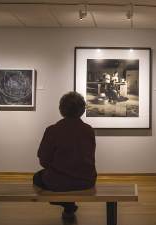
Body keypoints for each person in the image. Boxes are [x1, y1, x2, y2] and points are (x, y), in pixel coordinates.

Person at [33, 92, 97, 221]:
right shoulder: (88, 130)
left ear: (61, 109)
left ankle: (67, 205)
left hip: (58, 182)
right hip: (86, 181)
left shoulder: (53, 130)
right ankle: (68, 209)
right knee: (69, 178)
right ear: (82, 109)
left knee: (37, 177)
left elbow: (43, 160)